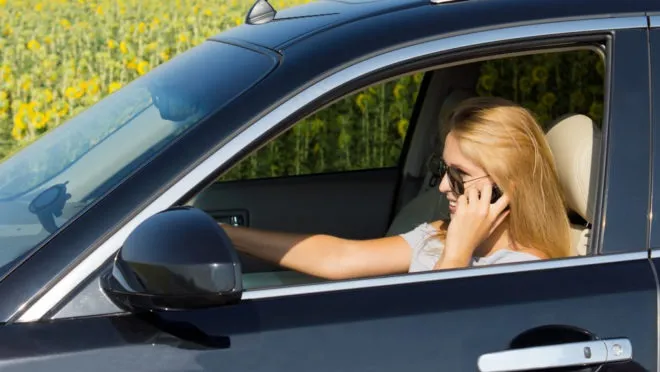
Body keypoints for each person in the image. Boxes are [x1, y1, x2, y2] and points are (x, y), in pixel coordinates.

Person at [220, 97, 571, 280]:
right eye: (442, 169)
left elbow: (434, 331)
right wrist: (227, 236)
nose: (445, 186)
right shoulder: (442, 234)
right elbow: (340, 258)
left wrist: (458, 254)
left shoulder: (522, 271)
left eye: (460, 174)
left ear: (505, 188)